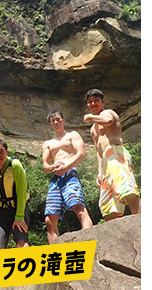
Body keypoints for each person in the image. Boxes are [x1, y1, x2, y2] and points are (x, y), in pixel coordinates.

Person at [83, 89, 142, 220]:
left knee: (126, 189)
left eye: (96, 101)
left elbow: (108, 121)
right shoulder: (93, 129)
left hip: (115, 153)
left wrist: (90, 117)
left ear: (102, 101)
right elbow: (98, 150)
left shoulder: (108, 112)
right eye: (90, 102)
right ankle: (117, 237)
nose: (93, 104)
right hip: (105, 161)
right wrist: (99, 171)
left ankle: (143, 227)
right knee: (108, 204)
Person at [42, 111, 93, 244]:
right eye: (53, 120)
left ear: (63, 120)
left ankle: (88, 244)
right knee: (49, 220)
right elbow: (45, 165)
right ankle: (56, 253)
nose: (56, 122)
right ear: (50, 124)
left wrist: (66, 166)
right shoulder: (48, 143)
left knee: (79, 208)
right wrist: (53, 167)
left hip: (70, 174)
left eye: (58, 119)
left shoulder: (72, 135)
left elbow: (81, 154)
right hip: (56, 178)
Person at [0, 139, 29, 249]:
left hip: (18, 209)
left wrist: (19, 217)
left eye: (2, 151)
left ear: (7, 153)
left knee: (22, 244)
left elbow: (22, 191)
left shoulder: (15, 165)